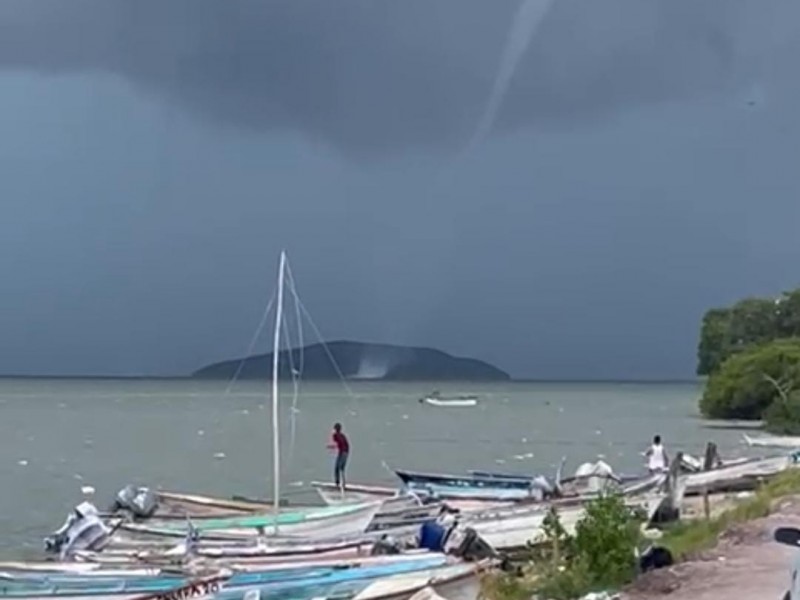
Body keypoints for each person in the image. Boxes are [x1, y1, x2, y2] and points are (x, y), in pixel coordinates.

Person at [327, 423, 350, 489]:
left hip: (343, 453)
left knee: (338, 467)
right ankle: (341, 483)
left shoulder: (336, 435)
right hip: (345, 452)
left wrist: (331, 446)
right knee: (340, 468)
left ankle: (339, 483)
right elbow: (341, 444)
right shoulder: (342, 435)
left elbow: (338, 443)